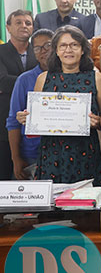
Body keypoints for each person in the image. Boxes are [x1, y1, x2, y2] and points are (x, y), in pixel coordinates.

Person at [18, 26, 101, 184]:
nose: (69, 50)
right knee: (52, 206)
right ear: (57, 51)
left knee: (85, 204)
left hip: (85, 154)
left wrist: (98, 122)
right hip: (51, 155)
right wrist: (26, 117)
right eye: (63, 46)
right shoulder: (43, 79)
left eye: (74, 45)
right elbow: (36, 117)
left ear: (82, 50)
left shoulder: (96, 78)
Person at [6, 29, 53, 179]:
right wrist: (16, 158)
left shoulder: (71, 76)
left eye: (48, 45)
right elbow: (13, 122)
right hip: (31, 155)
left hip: (66, 153)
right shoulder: (24, 80)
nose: (43, 51)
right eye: (38, 48)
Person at [0, 10, 37, 179]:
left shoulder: (40, 52)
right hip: (4, 125)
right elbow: (2, 81)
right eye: (19, 22)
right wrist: (31, 83)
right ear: (8, 27)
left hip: (36, 129)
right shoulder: (1, 51)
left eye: (28, 23)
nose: (24, 26)